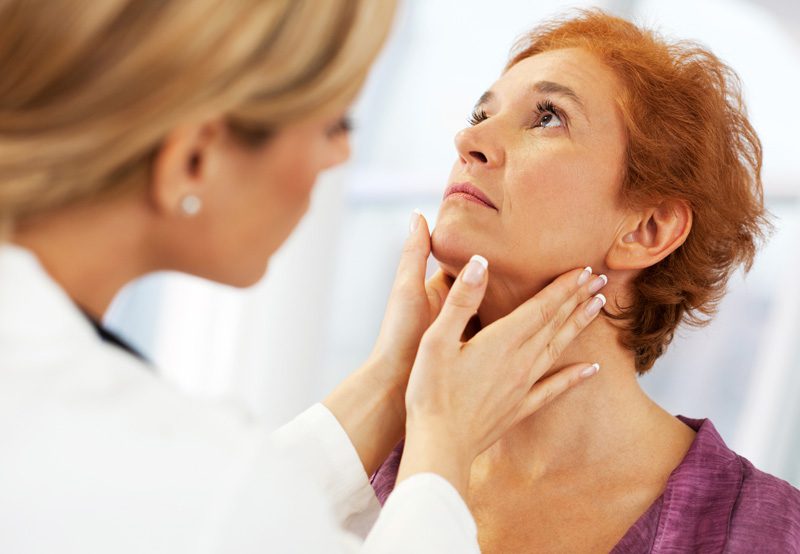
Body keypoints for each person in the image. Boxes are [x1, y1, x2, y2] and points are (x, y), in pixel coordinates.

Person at [0, 1, 609, 552]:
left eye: (548, 117)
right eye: (334, 123)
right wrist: (442, 440)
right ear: (192, 158)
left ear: (652, 228)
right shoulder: (165, 468)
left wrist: (393, 381)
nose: (339, 156)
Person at [371, 9, 800, 553]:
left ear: (648, 229)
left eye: (547, 117)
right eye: (480, 112)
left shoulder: (766, 534)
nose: (468, 137)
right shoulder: (360, 478)